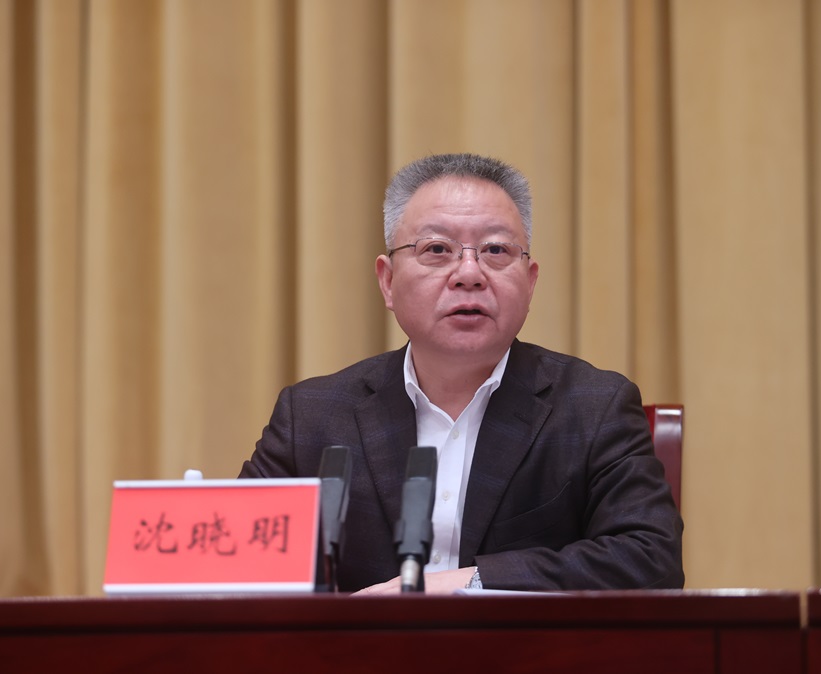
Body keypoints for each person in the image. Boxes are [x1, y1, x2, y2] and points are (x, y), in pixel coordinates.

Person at [239, 153, 684, 594]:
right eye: (437, 249)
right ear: (388, 281)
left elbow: (651, 560)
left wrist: (467, 583)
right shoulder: (311, 417)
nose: (469, 274)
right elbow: (235, 563)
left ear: (530, 282)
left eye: (495, 250)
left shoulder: (594, 408)